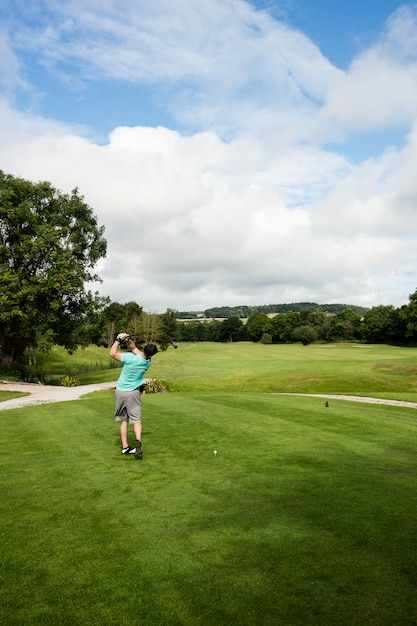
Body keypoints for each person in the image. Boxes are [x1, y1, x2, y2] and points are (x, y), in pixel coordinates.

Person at [109, 334, 158, 460]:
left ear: (144, 349)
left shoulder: (130, 358)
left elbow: (112, 353)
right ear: (151, 355)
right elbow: (134, 348)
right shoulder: (147, 361)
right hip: (133, 393)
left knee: (124, 420)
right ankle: (138, 441)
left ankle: (125, 447)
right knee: (136, 419)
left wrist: (118, 340)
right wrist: (129, 340)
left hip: (120, 392)